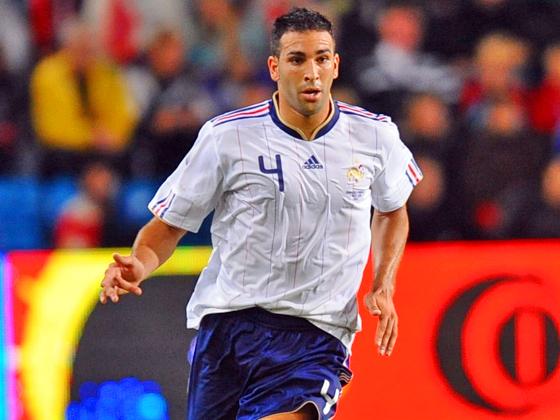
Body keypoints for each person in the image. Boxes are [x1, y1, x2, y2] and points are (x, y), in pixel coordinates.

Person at [100, 8, 421, 419]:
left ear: (336, 65)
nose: (311, 73)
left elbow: (392, 209)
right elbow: (169, 225)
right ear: (274, 67)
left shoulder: (375, 136)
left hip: (317, 334)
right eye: (297, 59)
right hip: (229, 329)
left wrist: (383, 282)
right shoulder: (227, 136)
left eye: (322, 58)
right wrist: (139, 264)